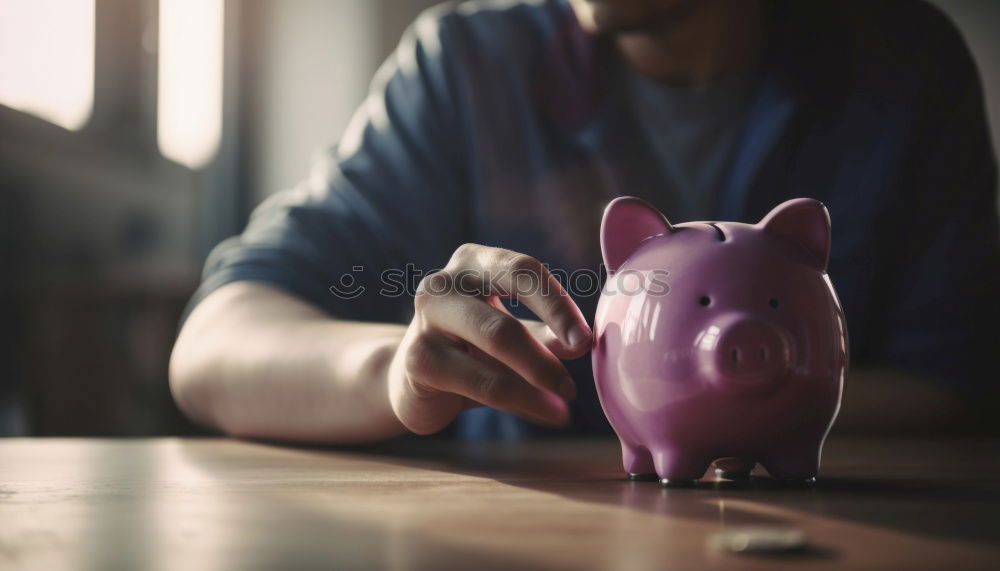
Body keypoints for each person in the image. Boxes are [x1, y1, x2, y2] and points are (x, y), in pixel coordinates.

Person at [169, 0, 1000, 443]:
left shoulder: (905, 67)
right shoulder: (464, 70)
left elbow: (955, 382)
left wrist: (667, 401)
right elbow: (214, 347)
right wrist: (398, 374)